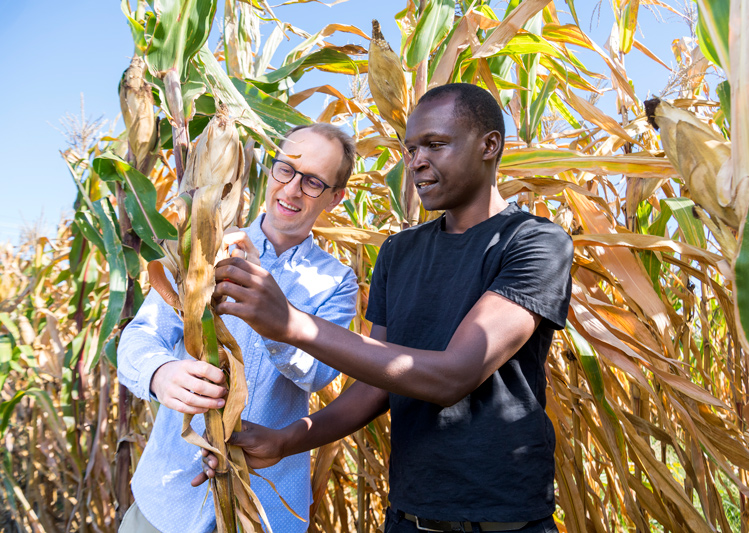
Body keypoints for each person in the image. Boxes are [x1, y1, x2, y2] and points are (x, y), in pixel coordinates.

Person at [202, 83, 574, 532]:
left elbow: (452, 375)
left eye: (435, 144)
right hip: (409, 516)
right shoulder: (399, 252)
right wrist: (287, 440)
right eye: (411, 148)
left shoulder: (533, 243)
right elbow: (376, 387)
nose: (417, 161)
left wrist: (291, 325)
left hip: (503, 519)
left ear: (489, 146)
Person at [116, 122, 359, 533]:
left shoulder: (336, 281)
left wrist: (274, 318)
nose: (293, 189)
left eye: (314, 182)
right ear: (270, 170)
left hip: (265, 507)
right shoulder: (207, 245)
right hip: (167, 502)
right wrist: (161, 373)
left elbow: (317, 374)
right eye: (285, 169)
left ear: (335, 198)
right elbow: (141, 336)